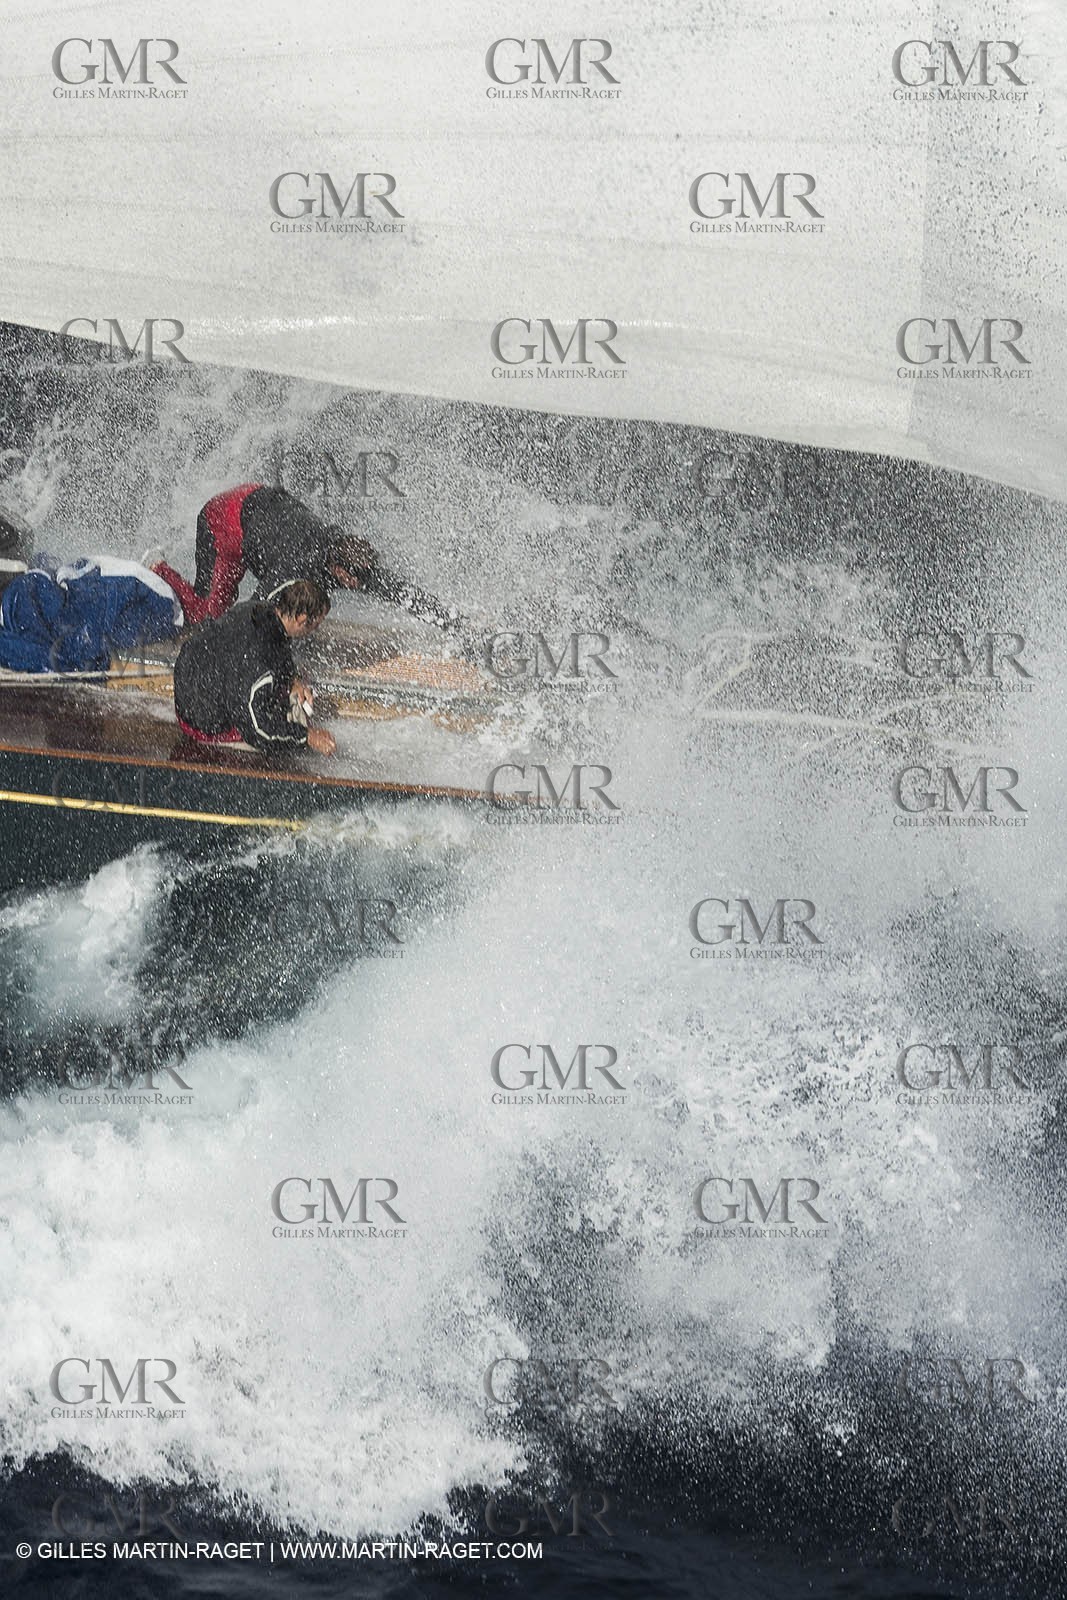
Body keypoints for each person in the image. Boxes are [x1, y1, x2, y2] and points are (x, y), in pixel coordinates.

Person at [150, 482, 464, 634]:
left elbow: (402, 592)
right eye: (351, 578)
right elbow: (253, 615)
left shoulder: (351, 560)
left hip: (263, 507)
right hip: (225, 521)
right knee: (207, 616)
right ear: (337, 568)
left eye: (359, 578)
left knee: (296, 617)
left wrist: (456, 625)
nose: (356, 584)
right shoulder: (293, 565)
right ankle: (159, 568)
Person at [172, 578, 337, 757]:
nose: (316, 630)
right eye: (316, 625)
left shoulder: (257, 610)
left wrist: (293, 680)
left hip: (191, 692)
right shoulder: (260, 661)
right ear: (301, 619)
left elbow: (280, 648)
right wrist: (306, 737)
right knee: (281, 743)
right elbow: (256, 731)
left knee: (274, 695)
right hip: (204, 724)